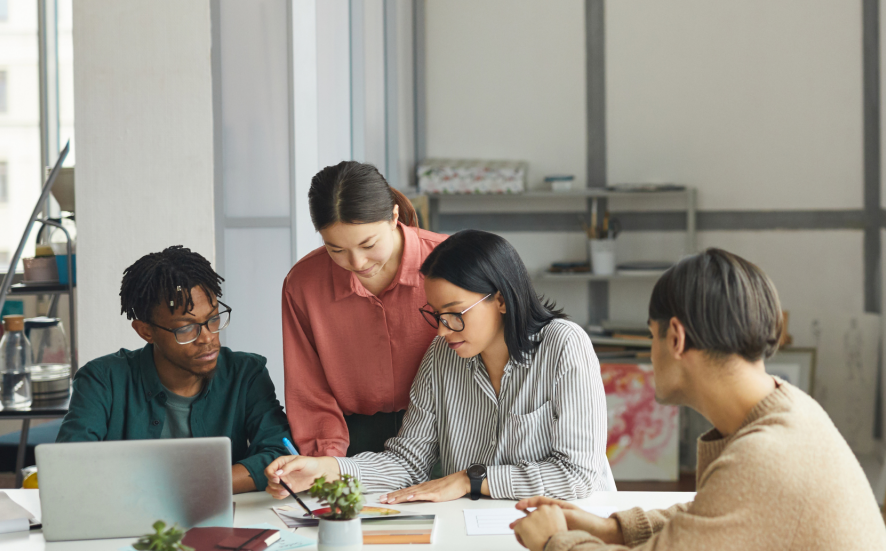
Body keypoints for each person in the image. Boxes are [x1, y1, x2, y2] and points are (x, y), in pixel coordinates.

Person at [510, 248, 886, 551]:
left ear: (675, 337)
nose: (649, 354)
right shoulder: (788, 406)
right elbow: (711, 512)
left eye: (650, 337)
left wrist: (552, 542)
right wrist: (609, 529)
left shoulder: (764, 457)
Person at [266, 230, 611, 503]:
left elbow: (577, 475)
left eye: (454, 314)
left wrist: (471, 479)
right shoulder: (441, 355)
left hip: (570, 526)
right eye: (435, 314)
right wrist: (325, 469)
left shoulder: (564, 345)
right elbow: (408, 462)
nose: (442, 329)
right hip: (475, 528)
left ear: (501, 300)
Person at [57, 246, 292, 494]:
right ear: (145, 331)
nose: (208, 338)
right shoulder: (102, 381)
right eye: (186, 329)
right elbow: (71, 466)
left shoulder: (245, 374)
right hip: (128, 526)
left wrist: (184, 484)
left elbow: (279, 454)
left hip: (221, 521)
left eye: (213, 319)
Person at [282, 161, 447, 457]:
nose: (357, 263)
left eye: (368, 244)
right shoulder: (304, 283)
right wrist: (328, 463)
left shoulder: (450, 261)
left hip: (448, 431)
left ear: (394, 216)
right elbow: (308, 389)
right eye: (337, 250)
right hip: (350, 440)